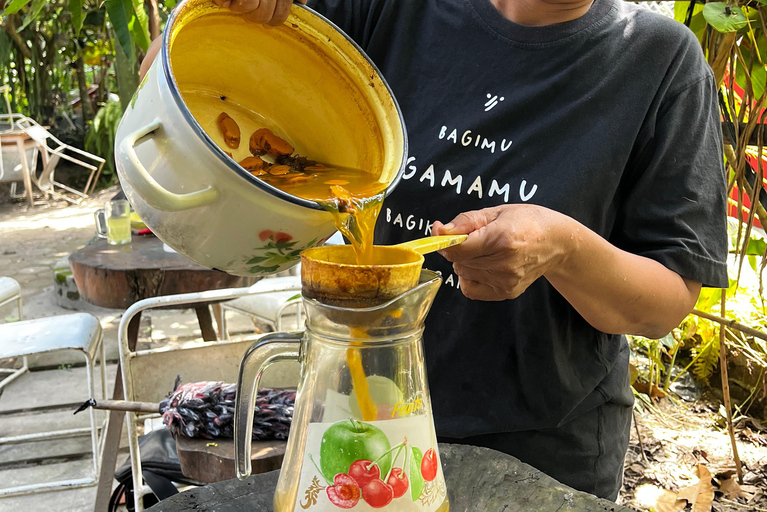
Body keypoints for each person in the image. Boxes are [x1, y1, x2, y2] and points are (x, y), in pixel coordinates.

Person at [142, 0, 728, 500]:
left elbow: (668, 300)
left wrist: (564, 249)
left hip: (542, 449)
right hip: (357, 421)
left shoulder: (661, 63)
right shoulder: (393, 9)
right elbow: (183, 69)